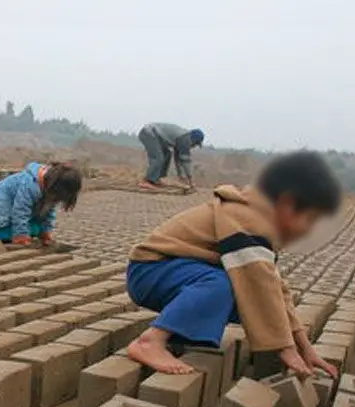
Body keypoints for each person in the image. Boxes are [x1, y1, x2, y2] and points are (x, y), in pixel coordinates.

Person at [125, 150, 342, 378]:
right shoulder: (250, 218)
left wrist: (304, 348)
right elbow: (260, 286)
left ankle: (180, 334)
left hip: (173, 272)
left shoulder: (262, 222)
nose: (307, 231)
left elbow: (275, 289)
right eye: (309, 220)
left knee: (249, 298)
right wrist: (285, 348)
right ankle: (150, 341)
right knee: (225, 285)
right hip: (149, 271)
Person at [0, 162, 81, 246]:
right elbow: (20, 211)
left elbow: (48, 210)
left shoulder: (48, 187)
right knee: (33, 230)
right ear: (56, 187)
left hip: (8, 216)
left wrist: (45, 232)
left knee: (36, 229)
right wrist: (21, 236)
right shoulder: (29, 185)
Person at [137, 123, 204, 192]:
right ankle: (147, 181)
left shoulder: (183, 138)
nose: (194, 146)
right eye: (196, 144)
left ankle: (155, 179)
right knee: (158, 158)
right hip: (149, 133)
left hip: (155, 135)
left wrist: (180, 175)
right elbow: (186, 161)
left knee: (167, 154)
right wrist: (190, 180)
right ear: (193, 140)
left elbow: (177, 159)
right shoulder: (185, 140)